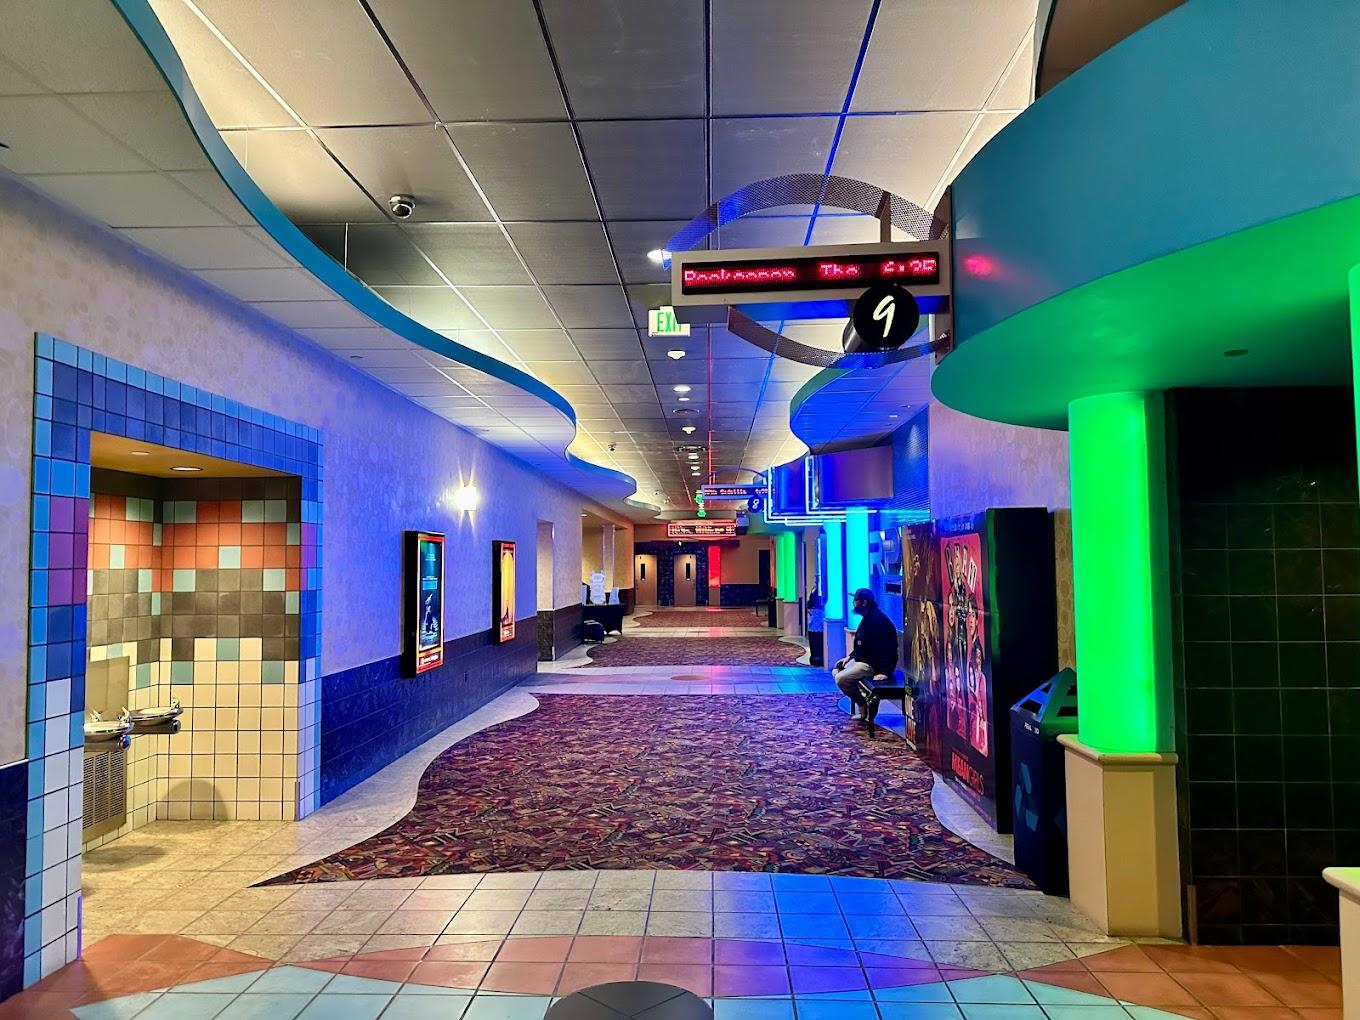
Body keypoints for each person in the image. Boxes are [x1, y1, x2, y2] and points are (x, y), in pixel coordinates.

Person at [833, 588, 899, 717]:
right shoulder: (867, 618)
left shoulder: (877, 621)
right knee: (836, 670)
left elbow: (890, 649)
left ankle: (862, 703)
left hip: (872, 665)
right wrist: (850, 657)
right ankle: (864, 698)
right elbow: (862, 644)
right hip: (862, 661)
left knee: (841, 678)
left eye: (855, 600)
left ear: (864, 603)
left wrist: (884, 672)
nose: (853, 603)